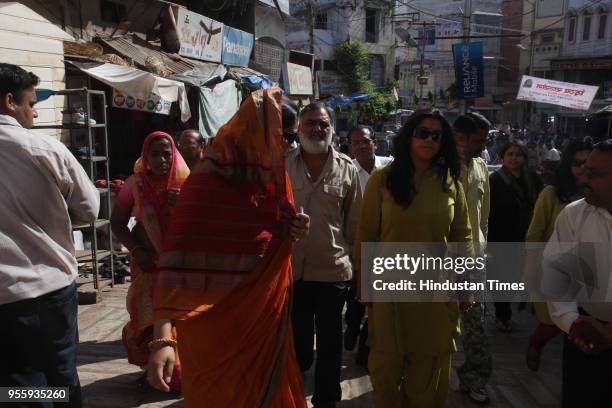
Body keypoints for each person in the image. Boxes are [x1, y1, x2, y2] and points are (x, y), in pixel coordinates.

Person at [146, 88, 309, 408]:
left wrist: (298, 228)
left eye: (290, 139)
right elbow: (174, 266)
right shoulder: (206, 184)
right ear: (256, 135)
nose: (287, 147)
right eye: (283, 138)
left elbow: (279, 237)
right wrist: (163, 339)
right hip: (210, 332)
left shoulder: (274, 179)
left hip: (263, 324)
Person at [354, 110, 473, 407]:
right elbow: (367, 233)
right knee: (386, 370)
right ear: (409, 137)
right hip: (389, 292)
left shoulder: (450, 183)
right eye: (423, 132)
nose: (429, 139)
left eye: (437, 135)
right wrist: (363, 283)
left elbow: (463, 236)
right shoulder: (383, 180)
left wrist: (466, 283)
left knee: (429, 374)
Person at [0, 63, 100, 406]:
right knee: (59, 376)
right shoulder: (45, 149)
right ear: (10, 101)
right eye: (31, 103)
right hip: (48, 291)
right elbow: (89, 209)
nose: (35, 112)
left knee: (16, 382)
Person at [287, 102, 362, 408]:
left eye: (323, 124)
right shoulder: (283, 165)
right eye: (310, 124)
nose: (317, 129)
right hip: (293, 272)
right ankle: (293, 390)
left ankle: (327, 400)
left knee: (331, 344)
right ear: (298, 128)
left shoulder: (348, 169)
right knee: (299, 346)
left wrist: (360, 274)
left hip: (333, 271)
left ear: (332, 128)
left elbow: (355, 225)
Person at [110, 131, 190, 391]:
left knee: (182, 319)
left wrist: (186, 202)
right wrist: (136, 250)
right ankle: (152, 372)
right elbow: (117, 222)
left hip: (182, 267)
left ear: (174, 154)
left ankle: (178, 374)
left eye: (167, 153)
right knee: (146, 319)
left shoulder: (188, 183)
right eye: (154, 154)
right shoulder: (135, 185)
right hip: (148, 264)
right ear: (145, 156)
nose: (161, 159)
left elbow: (204, 221)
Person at [542, 139, 612, 407]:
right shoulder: (573, 215)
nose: (583, 177)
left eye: (593, 173)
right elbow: (556, 274)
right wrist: (573, 322)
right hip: (584, 340)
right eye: (583, 168)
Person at [524, 138, 593, 371]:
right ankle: (536, 344)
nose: (582, 168)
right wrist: (531, 272)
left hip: (587, 272)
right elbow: (534, 234)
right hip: (551, 270)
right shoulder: (552, 194)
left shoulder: (599, 194)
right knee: (555, 322)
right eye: (577, 162)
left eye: (588, 163)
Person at [344, 125, 393, 368]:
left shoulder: (390, 167)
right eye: (356, 143)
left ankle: (366, 348)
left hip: (386, 243)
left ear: (375, 142)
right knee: (357, 298)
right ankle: (352, 327)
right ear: (350, 147)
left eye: (366, 141)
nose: (362, 146)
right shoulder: (346, 170)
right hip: (358, 244)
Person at [453, 115, 492, 403]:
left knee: (477, 325)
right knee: (434, 322)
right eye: (479, 140)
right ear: (461, 137)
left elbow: (484, 215)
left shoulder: (481, 167)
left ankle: (474, 378)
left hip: (474, 259)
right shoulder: (436, 167)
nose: (484, 146)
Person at [489, 142, 543, 332]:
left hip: (527, 238)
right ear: (502, 157)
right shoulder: (495, 181)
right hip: (502, 238)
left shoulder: (533, 179)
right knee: (502, 278)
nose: (514, 158)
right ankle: (502, 315)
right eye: (510, 154)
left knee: (519, 276)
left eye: (518, 154)